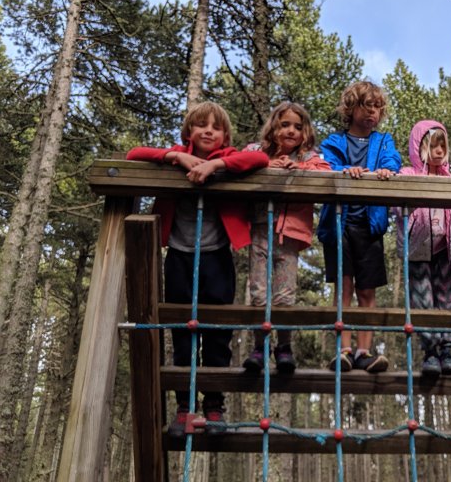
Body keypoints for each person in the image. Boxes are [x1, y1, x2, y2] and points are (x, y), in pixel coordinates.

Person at [126, 101, 270, 437]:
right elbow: (134, 154)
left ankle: (214, 406)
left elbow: (260, 160)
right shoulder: (177, 155)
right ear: (189, 131)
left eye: (216, 127)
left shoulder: (230, 157)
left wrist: (216, 164)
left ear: (225, 136)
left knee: (218, 333)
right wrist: (175, 158)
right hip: (179, 256)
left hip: (217, 258)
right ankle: (184, 408)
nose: (208, 131)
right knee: (183, 332)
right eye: (201, 125)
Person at [317, 81, 402, 373]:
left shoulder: (383, 140)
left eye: (378, 108)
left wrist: (387, 169)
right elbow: (326, 165)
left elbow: (392, 159)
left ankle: (364, 351)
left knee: (367, 291)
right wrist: (346, 170)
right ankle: (343, 350)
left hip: (370, 224)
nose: (373, 113)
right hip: (339, 224)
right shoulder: (335, 141)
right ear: (351, 108)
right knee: (344, 287)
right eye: (367, 106)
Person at [241, 101, 331, 374]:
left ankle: (284, 347)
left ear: (305, 133)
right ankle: (260, 347)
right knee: (258, 292)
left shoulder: (308, 158)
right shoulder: (257, 151)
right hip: (260, 228)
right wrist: (269, 165)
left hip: (289, 234)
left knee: (285, 294)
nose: (291, 131)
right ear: (273, 128)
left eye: (298, 127)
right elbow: (240, 162)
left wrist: (298, 169)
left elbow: (325, 173)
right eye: (285, 125)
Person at [394, 120, 451, 377]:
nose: (439, 151)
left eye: (442, 146)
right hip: (417, 247)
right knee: (422, 298)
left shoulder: (450, 179)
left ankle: (447, 349)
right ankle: (430, 351)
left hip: (444, 248)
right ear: (419, 147)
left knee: (446, 297)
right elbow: (397, 206)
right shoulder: (408, 174)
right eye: (433, 145)